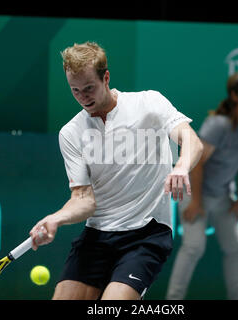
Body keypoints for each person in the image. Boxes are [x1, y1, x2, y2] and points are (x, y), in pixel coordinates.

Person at [29, 41, 203, 300]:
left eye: (89, 88)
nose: (83, 97)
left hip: (146, 233)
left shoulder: (149, 103)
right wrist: (56, 218)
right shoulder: (71, 133)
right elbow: (83, 201)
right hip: (97, 236)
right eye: (75, 90)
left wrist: (181, 166)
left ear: (106, 77)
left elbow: (192, 141)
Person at [166, 71, 238, 300]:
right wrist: (197, 202)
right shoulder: (218, 125)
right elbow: (197, 163)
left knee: (235, 248)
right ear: (235, 95)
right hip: (194, 193)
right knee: (194, 247)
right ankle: (172, 302)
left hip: (223, 197)